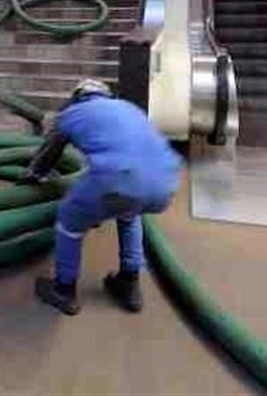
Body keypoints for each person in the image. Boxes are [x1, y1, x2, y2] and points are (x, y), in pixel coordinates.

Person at [24, 79, 182, 315]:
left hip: (117, 179)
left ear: (77, 96)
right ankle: (129, 283)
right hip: (165, 182)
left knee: (69, 220)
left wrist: (33, 175)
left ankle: (63, 289)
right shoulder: (129, 108)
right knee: (130, 215)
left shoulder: (73, 113)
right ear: (106, 95)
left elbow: (49, 153)